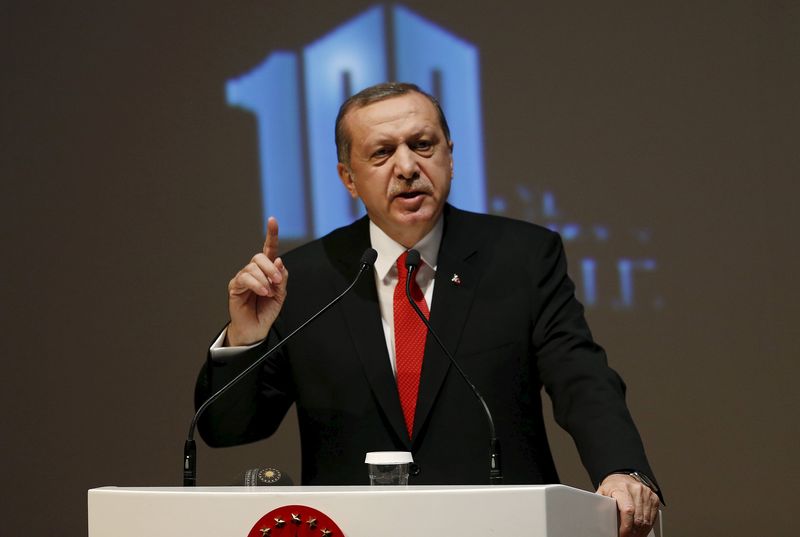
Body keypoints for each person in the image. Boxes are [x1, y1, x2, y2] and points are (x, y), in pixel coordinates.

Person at [196, 82, 661, 537]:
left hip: (499, 527)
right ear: (348, 178)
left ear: (450, 157)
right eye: (381, 153)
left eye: (422, 145)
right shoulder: (304, 279)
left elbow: (581, 377)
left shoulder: (521, 257)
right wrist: (245, 339)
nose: (407, 167)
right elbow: (228, 428)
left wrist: (623, 470)